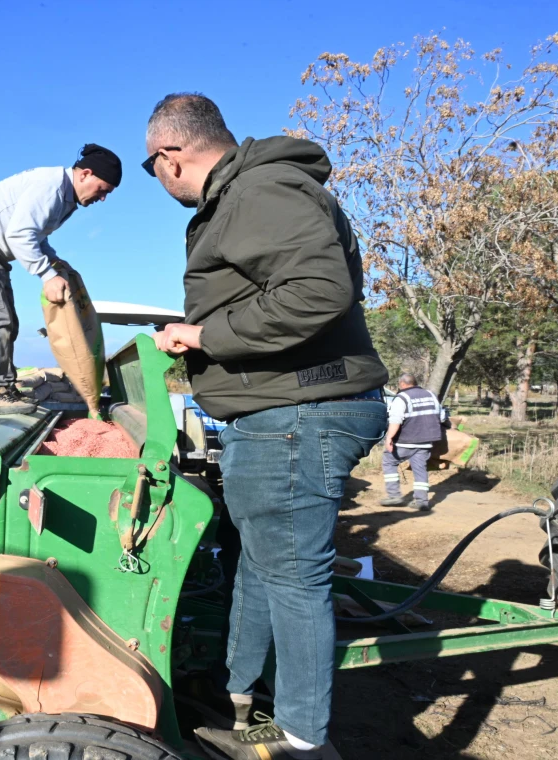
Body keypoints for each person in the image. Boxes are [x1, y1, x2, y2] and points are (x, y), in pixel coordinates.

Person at [145, 93, 388, 760]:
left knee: (293, 581)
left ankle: (303, 744)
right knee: (257, 566)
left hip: (299, 413)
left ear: (168, 156)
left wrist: (205, 332)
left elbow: (316, 291)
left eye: (150, 167)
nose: (157, 179)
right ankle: (243, 704)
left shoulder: (260, 189)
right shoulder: (251, 192)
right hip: (278, 412)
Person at [0, 144, 121, 414]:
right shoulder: (50, 187)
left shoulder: (66, 198)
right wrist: (46, 275)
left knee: (8, 321)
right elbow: (19, 235)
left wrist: (55, 261)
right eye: (103, 189)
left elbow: (37, 236)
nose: (103, 198)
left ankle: (4, 387)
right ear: (85, 174)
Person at [379, 373, 445, 510]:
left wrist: (389, 438)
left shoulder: (402, 398)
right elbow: (442, 417)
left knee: (389, 461)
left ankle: (394, 496)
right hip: (426, 441)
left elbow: (395, 420)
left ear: (402, 384)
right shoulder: (431, 395)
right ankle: (421, 501)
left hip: (406, 441)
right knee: (420, 469)